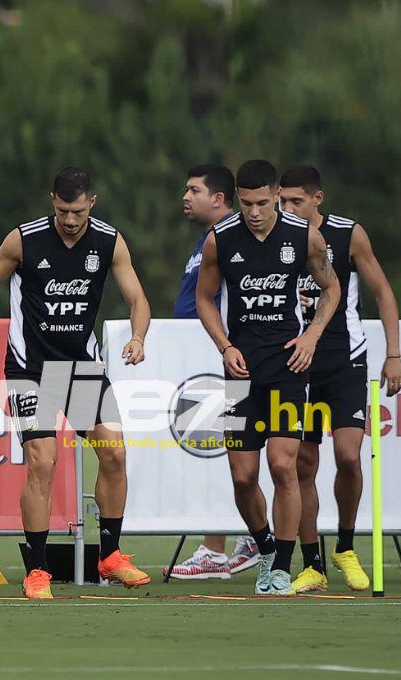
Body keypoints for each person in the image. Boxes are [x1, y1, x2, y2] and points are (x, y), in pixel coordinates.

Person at [0, 166, 152, 599]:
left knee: (114, 454)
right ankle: (37, 571)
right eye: (63, 210)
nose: (70, 220)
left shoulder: (109, 241)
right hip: (30, 370)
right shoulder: (25, 239)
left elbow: (138, 298)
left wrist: (139, 336)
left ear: (93, 202)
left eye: (78, 210)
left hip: (81, 367)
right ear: (52, 200)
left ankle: (110, 557)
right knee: (43, 462)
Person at [196, 159, 340, 596]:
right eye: (246, 203)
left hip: (288, 368)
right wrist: (226, 346)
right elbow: (205, 299)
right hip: (240, 372)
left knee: (283, 466)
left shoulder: (304, 236)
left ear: (277, 195)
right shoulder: (220, 239)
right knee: (242, 476)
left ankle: (281, 565)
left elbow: (331, 289)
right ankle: (263, 547)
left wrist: (312, 334)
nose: (254, 212)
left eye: (262, 202)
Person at [278, 164, 401, 593]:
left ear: (318, 199)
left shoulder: (347, 233)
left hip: (343, 359)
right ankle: (312, 563)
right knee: (303, 463)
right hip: (296, 360)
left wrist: (393, 354)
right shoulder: (275, 235)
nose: (287, 208)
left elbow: (383, 291)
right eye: (282, 201)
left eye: (296, 201)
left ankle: (346, 547)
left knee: (350, 456)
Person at [165, 163, 260, 581]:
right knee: (217, 451)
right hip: (200, 359)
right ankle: (243, 538)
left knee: (224, 451)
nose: (185, 197)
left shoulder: (232, 239)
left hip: (221, 360)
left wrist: (222, 346)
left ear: (218, 198)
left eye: (194, 190)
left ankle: (216, 548)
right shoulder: (208, 239)